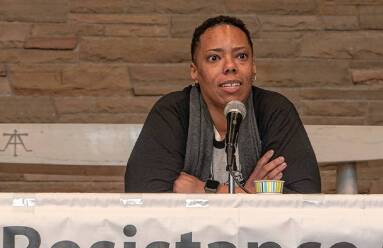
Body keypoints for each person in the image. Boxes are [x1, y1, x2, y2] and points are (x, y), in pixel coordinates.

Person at [124, 16, 321, 194]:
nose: (230, 66)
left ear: (253, 67)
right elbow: (143, 191)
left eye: (241, 56)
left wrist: (206, 190)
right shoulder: (173, 112)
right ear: (195, 71)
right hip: (188, 233)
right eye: (214, 58)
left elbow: (305, 195)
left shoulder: (274, 110)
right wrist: (250, 194)